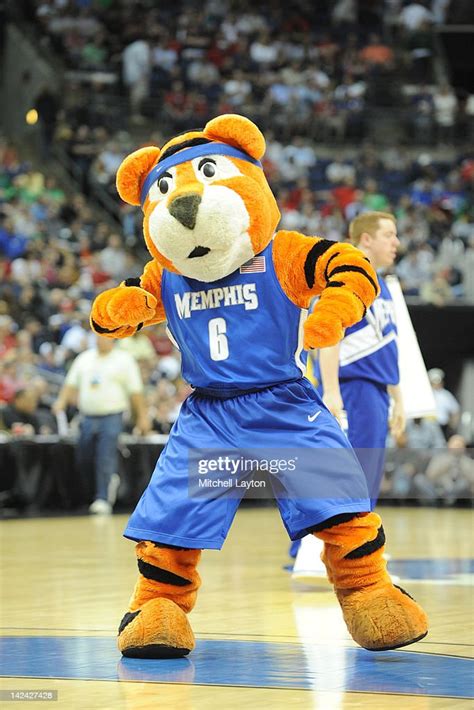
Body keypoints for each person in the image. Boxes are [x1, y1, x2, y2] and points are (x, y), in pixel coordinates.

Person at [292, 211, 404, 581]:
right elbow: (329, 334)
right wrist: (332, 391)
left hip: (376, 388)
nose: (396, 242)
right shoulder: (347, 275)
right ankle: (317, 549)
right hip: (353, 386)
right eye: (389, 234)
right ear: (366, 240)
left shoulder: (384, 285)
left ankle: (356, 553)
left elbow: (389, 344)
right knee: (345, 474)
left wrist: (398, 397)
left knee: (366, 476)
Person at [53, 335, 150, 514]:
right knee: (84, 456)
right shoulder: (84, 358)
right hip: (87, 416)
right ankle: (99, 490)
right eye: (97, 337)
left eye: (104, 338)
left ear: (113, 339)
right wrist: (61, 400)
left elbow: (136, 392)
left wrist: (142, 417)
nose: (100, 341)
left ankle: (103, 498)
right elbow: (70, 384)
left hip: (112, 415)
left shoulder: (124, 360)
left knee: (106, 455)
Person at [427, 367, 460, 439]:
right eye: (434, 382)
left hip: (443, 426)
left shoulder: (446, 395)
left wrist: (452, 426)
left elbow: (455, 410)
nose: (436, 384)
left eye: (438, 381)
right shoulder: (425, 394)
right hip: (428, 426)